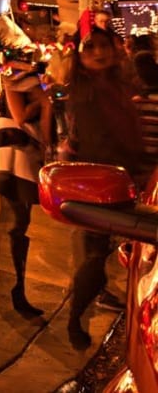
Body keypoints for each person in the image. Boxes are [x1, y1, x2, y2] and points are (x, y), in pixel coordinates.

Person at [61, 27, 144, 350]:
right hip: (99, 185)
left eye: (103, 45)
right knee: (95, 257)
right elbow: (106, 141)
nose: (98, 52)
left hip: (123, 181)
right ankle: (75, 318)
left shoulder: (118, 84)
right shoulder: (87, 91)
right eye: (89, 47)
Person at [0, 54, 53, 319]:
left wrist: (44, 105)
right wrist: (41, 104)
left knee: (18, 220)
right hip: (11, 148)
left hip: (24, 148)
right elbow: (20, 115)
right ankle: (12, 288)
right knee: (14, 219)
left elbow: (43, 132)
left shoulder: (34, 84)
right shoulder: (14, 80)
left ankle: (14, 287)